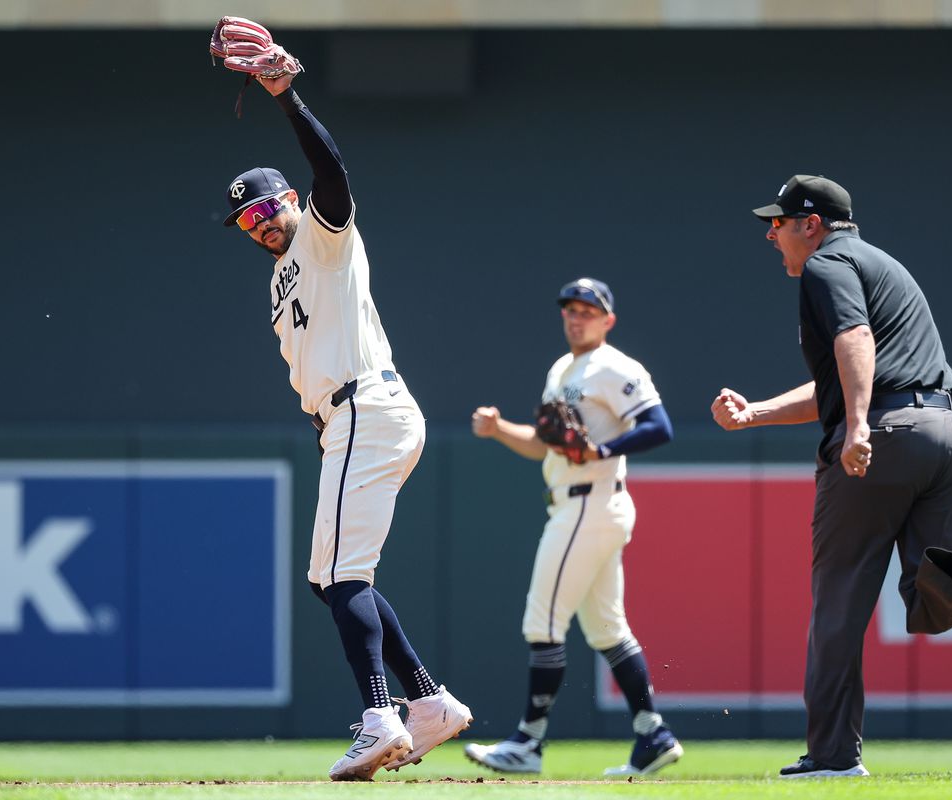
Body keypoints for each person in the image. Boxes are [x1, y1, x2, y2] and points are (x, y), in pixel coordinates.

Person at [711, 175, 952, 779]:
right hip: (948, 434)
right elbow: (855, 371)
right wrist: (757, 414)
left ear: (813, 223)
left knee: (838, 606)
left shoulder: (828, 265)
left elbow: (854, 342)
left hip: (882, 438)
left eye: (779, 222)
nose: (771, 233)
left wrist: (856, 428)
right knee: (929, 601)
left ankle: (833, 757)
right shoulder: (884, 264)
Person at [219, 63, 471, 781]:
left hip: (368, 407)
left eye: (267, 208)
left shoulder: (321, 238)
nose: (261, 224)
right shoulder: (279, 276)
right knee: (332, 578)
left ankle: (381, 717)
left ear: (290, 200)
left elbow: (333, 170)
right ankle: (429, 704)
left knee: (340, 576)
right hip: (348, 418)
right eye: (247, 221)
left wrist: (285, 97)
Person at [465, 279, 683, 777]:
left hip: (590, 504)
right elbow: (545, 446)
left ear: (608, 320)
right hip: (581, 503)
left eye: (589, 310)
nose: (577, 317)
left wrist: (600, 451)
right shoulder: (562, 369)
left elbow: (659, 425)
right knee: (607, 628)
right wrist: (500, 429)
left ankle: (528, 742)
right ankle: (653, 733)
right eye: (570, 309)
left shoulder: (614, 366)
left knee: (542, 622)